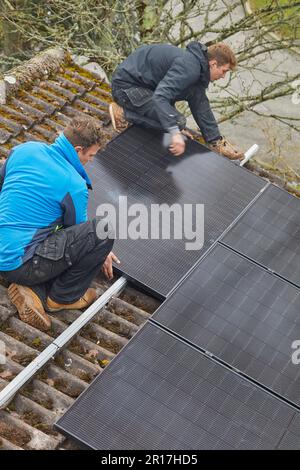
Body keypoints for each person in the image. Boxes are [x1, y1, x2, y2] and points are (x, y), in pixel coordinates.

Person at [0, 116, 119, 332]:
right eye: (91, 155)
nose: (91, 160)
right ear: (78, 149)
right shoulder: (74, 185)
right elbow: (75, 234)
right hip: (18, 264)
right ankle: (61, 297)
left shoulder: (25, 150)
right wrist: (102, 251)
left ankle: (32, 292)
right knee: (102, 230)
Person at [109, 42, 243, 159]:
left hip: (144, 89)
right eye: (224, 71)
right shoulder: (189, 68)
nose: (223, 76)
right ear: (213, 64)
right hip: (126, 89)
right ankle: (123, 113)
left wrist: (216, 141)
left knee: (177, 119)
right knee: (177, 121)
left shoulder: (196, 68)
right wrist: (174, 130)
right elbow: (161, 97)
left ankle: (213, 141)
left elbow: (200, 104)